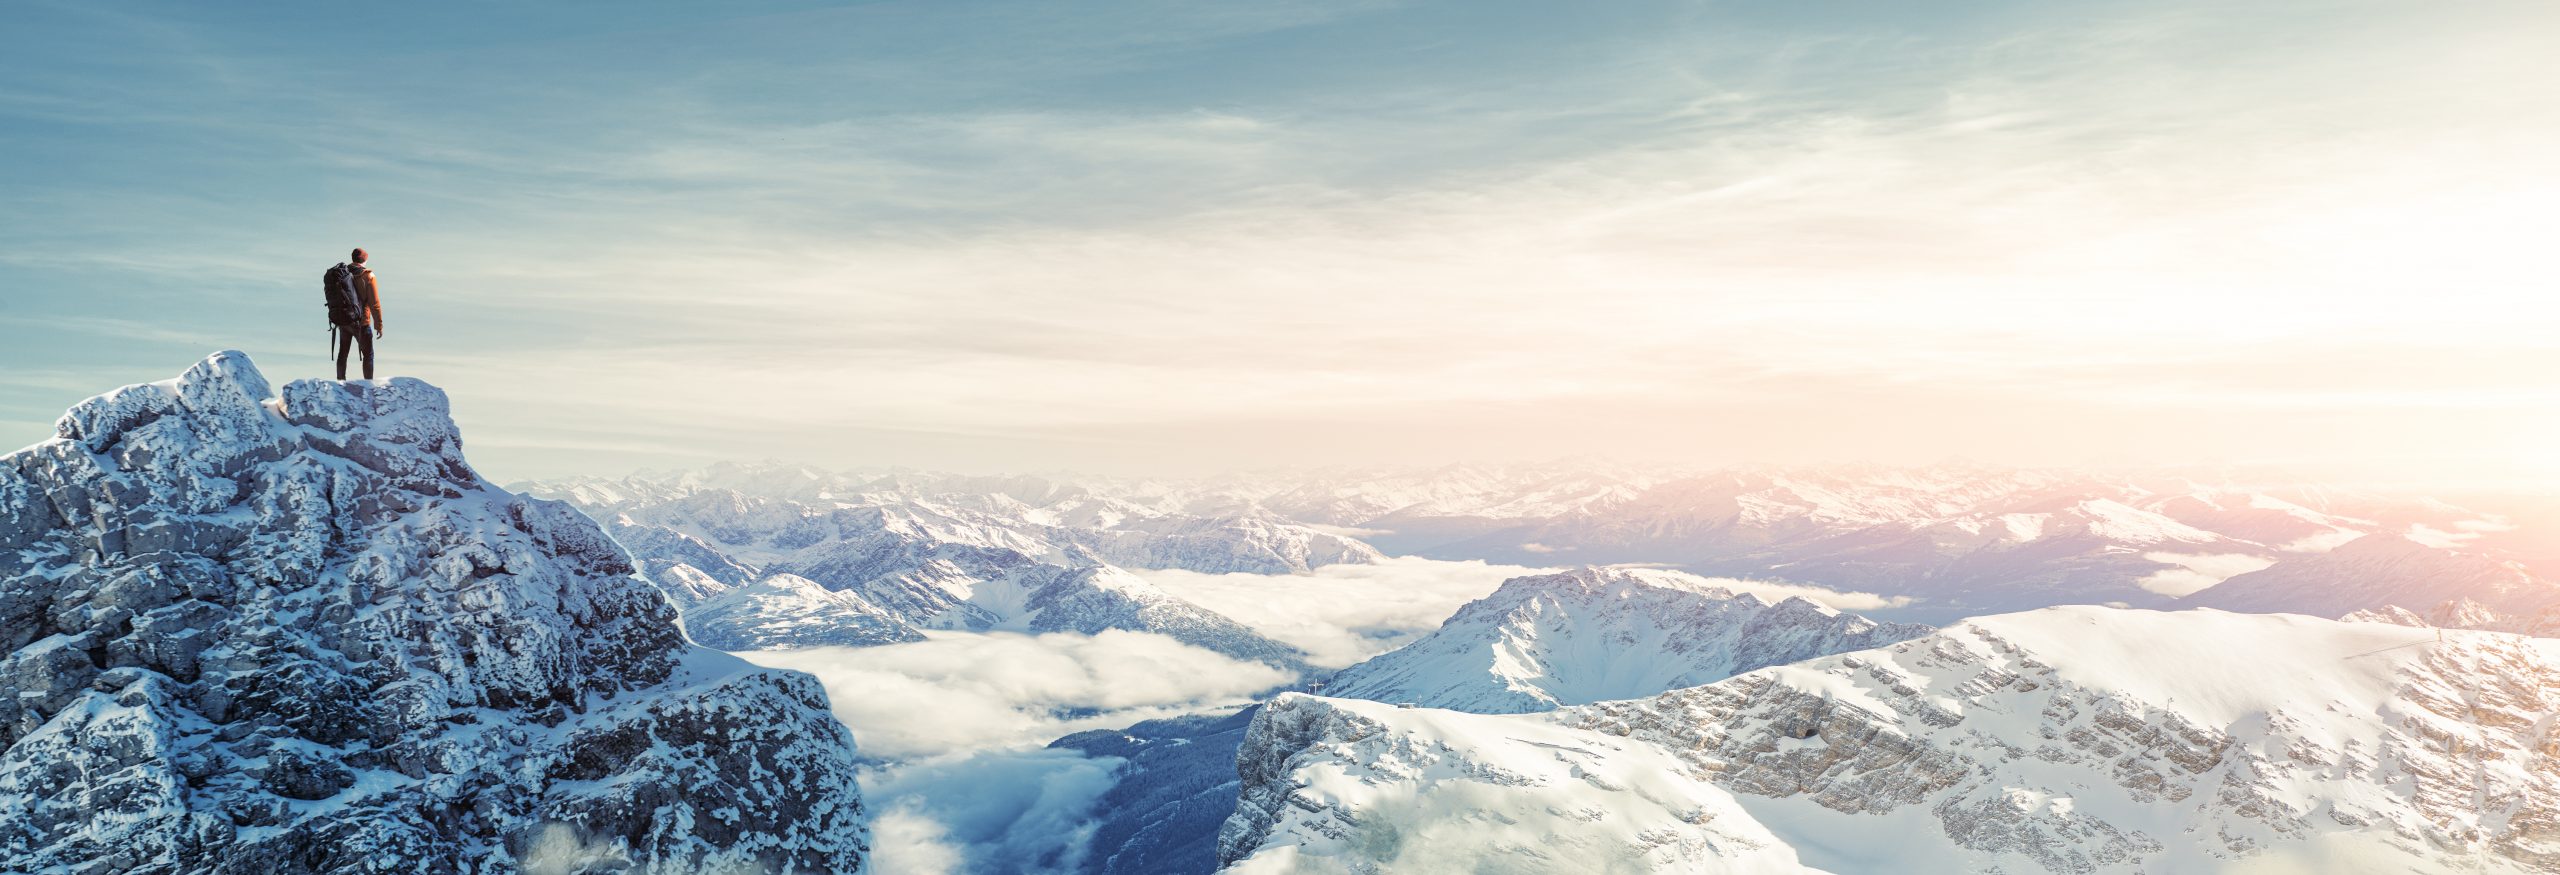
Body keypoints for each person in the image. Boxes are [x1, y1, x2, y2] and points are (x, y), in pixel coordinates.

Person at [331, 248, 384, 380]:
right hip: (362, 322)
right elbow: (375, 303)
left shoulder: (344, 273)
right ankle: (368, 385)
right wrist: (379, 325)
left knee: (343, 353)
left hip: (345, 320)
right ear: (365, 260)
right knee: (368, 355)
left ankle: (340, 383)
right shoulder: (368, 276)